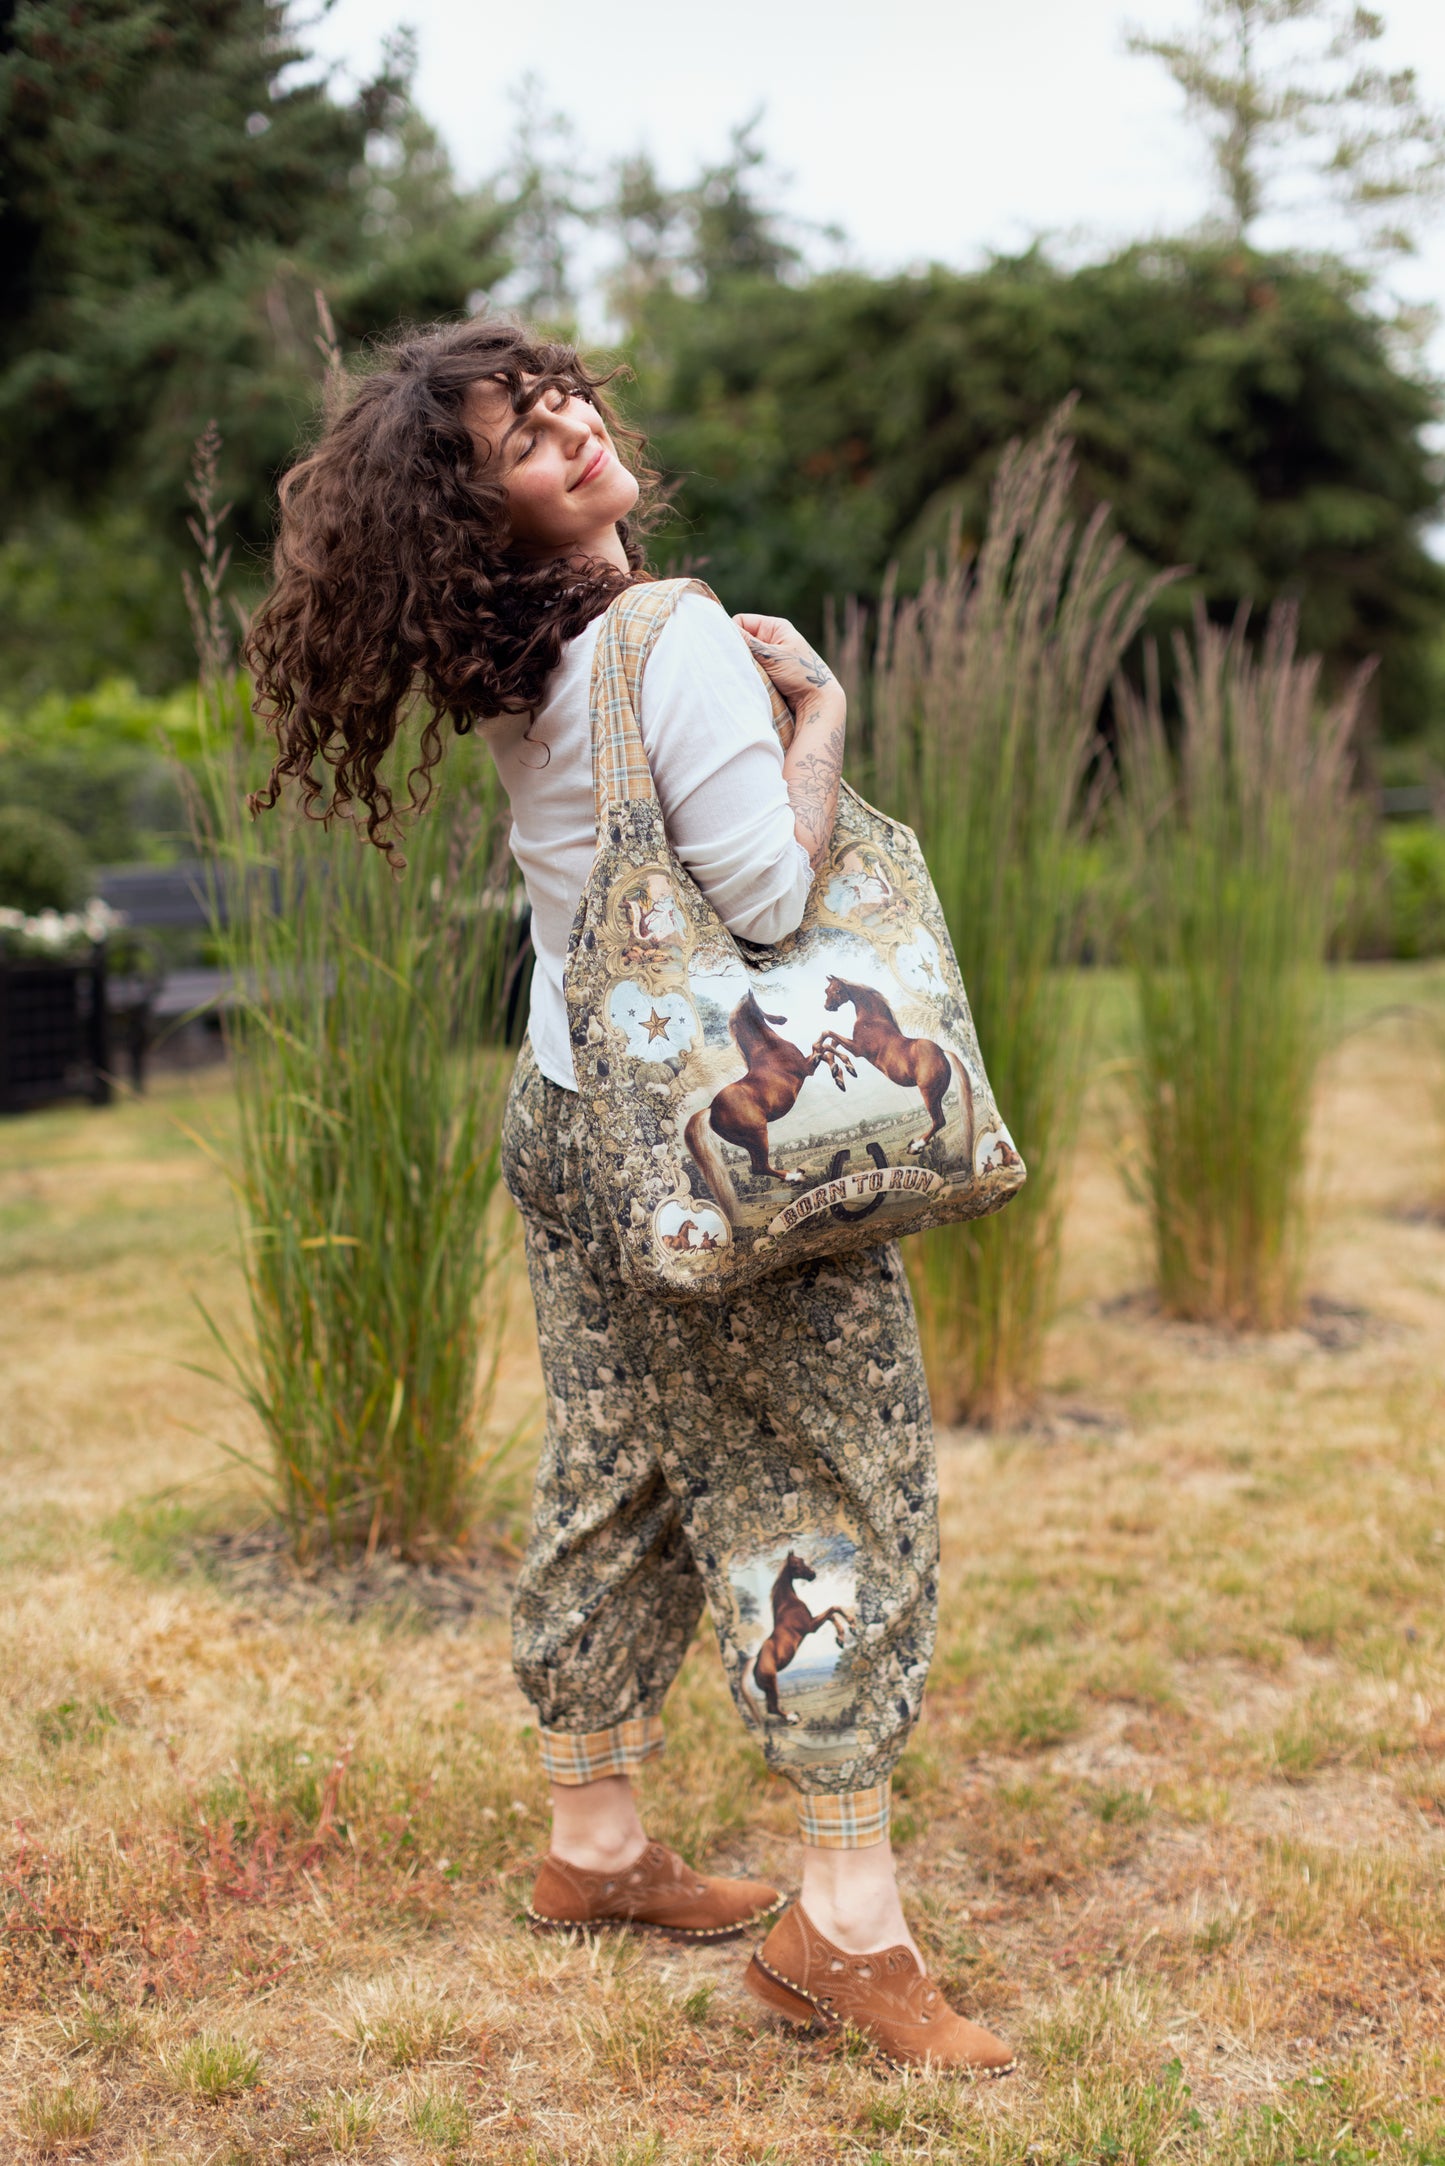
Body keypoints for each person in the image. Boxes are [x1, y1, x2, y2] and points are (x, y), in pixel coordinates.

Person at [246, 318, 1014, 2077]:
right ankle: (847, 1923)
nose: (574, 431)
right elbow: (761, 892)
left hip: (569, 1112)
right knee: (837, 1475)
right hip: (712, 1140)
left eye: (563, 400)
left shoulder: (529, 663)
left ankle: (592, 1843)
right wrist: (819, 711)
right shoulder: (661, 632)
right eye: (524, 436)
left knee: (614, 1459)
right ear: (483, 510)